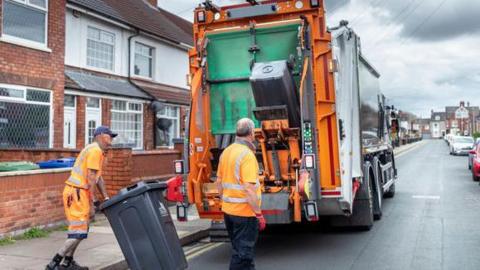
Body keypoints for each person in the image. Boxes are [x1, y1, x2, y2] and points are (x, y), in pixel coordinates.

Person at [46, 126, 116, 270]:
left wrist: (106, 197)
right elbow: (91, 179)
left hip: (78, 193)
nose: (112, 139)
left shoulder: (97, 151)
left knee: (81, 231)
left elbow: (98, 177)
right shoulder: (95, 151)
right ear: (101, 135)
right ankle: (53, 264)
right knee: (78, 231)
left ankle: (67, 262)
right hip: (77, 194)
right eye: (110, 136)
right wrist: (92, 204)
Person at [216, 118, 266, 270]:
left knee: (241, 251)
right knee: (243, 255)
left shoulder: (226, 152)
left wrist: (223, 202)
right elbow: (249, 189)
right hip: (245, 214)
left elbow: (219, 182)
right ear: (252, 133)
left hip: (229, 212)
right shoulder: (247, 155)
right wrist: (259, 214)